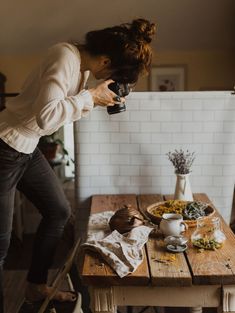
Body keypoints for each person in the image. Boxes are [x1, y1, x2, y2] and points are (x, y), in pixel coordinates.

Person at [0, 18, 156, 312]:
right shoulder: (64, 56)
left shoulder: (82, 68)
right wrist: (90, 96)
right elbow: (47, 117)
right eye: (113, 73)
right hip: (5, 146)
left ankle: (35, 288)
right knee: (0, 245)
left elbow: (57, 115)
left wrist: (94, 99)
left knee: (58, 212)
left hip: (27, 146)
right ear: (107, 60)